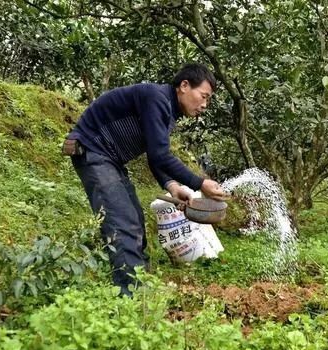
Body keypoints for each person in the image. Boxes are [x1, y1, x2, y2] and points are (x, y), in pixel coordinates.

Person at [62, 63, 227, 297]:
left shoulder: (167, 109)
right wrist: (200, 183)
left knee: (136, 219)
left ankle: (141, 281)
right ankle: (128, 296)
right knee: (123, 222)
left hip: (110, 159)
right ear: (184, 86)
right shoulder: (157, 98)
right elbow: (160, 155)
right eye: (203, 96)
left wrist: (172, 187)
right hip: (93, 151)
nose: (204, 105)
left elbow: (155, 155)